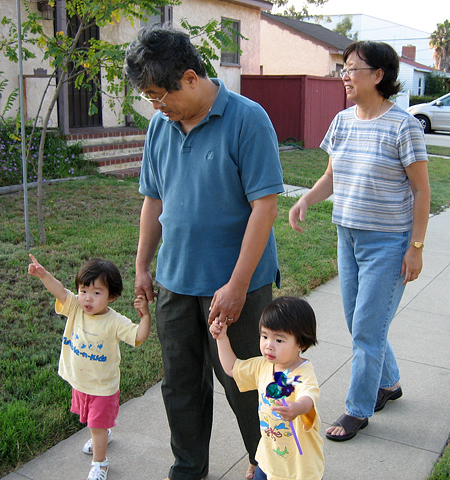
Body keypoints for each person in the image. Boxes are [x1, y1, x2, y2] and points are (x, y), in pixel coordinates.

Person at [123, 26, 284, 480]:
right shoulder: (160, 126)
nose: (155, 105)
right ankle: (189, 468)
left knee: (247, 385)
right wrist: (141, 266)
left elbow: (264, 207)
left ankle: (267, 465)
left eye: (159, 95)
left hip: (238, 287)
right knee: (181, 387)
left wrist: (236, 285)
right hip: (175, 281)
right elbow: (153, 199)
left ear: (190, 78)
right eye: (149, 97)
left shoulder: (248, 119)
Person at [289, 40, 430, 442]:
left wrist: (415, 248)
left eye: (352, 69)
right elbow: (332, 176)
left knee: (367, 328)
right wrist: (305, 200)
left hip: (388, 242)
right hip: (346, 236)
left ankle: (358, 408)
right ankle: (388, 383)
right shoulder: (342, 121)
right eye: (343, 68)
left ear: (379, 75)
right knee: (358, 322)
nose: (345, 76)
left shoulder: (404, 126)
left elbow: (422, 191)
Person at [27, 254, 151, 480]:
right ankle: (102, 435)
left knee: (95, 424)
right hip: (81, 381)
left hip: (102, 388)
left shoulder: (115, 321)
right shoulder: (75, 307)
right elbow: (60, 291)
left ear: (111, 297)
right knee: (92, 422)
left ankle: (100, 463)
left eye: (96, 293)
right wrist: (44, 275)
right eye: (83, 291)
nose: (87, 298)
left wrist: (145, 317)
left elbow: (139, 336)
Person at [210, 297, 324, 480]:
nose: (268, 345)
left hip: (298, 467)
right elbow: (232, 368)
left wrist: (297, 408)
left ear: (301, 344)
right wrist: (221, 338)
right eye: (264, 336)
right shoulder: (262, 365)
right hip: (267, 458)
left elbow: (308, 397)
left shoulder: (303, 374)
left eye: (279, 340)